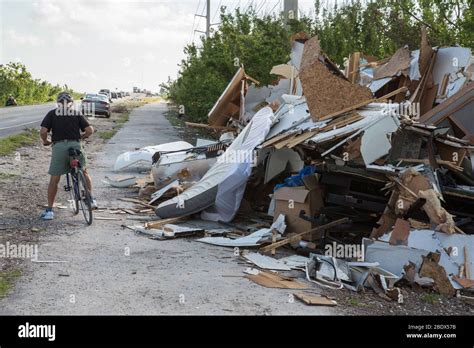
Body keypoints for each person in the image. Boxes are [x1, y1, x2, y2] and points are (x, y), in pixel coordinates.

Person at [39, 92, 98, 220]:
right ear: (71, 103)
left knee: (54, 179)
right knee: (84, 171)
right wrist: (80, 138)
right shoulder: (76, 113)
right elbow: (90, 131)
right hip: (75, 145)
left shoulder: (52, 113)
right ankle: (91, 199)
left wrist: (45, 141)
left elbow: (43, 131)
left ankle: (49, 211)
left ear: (58, 103)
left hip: (59, 147)